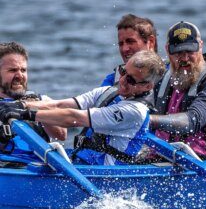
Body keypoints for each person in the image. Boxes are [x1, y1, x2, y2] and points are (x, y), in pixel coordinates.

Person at [0, 50, 166, 165]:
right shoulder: (108, 92)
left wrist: (26, 114)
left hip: (105, 176)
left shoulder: (135, 111)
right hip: (82, 162)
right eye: (123, 72)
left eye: (131, 80)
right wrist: (18, 105)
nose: (122, 80)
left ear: (147, 86)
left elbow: (74, 118)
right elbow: (59, 104)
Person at [150, 21, 206, 159]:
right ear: (167, 50)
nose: (184, 58)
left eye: (190, 51)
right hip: (162, 158)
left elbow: (192, 121)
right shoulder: (163, 76)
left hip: (202, 164)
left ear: (200, 46)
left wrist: (148, 120)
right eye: (178, 53)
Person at [0, 42, 66, 152]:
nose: (20, 76)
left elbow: (61, 135)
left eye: (23, 70)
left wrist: (35, 109)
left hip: (38, 166)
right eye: (12, 70)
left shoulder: (43, 101)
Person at [100, 14, 158, 87]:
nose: (124, 49)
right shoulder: (112, 81)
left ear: (151, 42)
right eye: (121, 44)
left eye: (130, 42)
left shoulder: (169, 76)